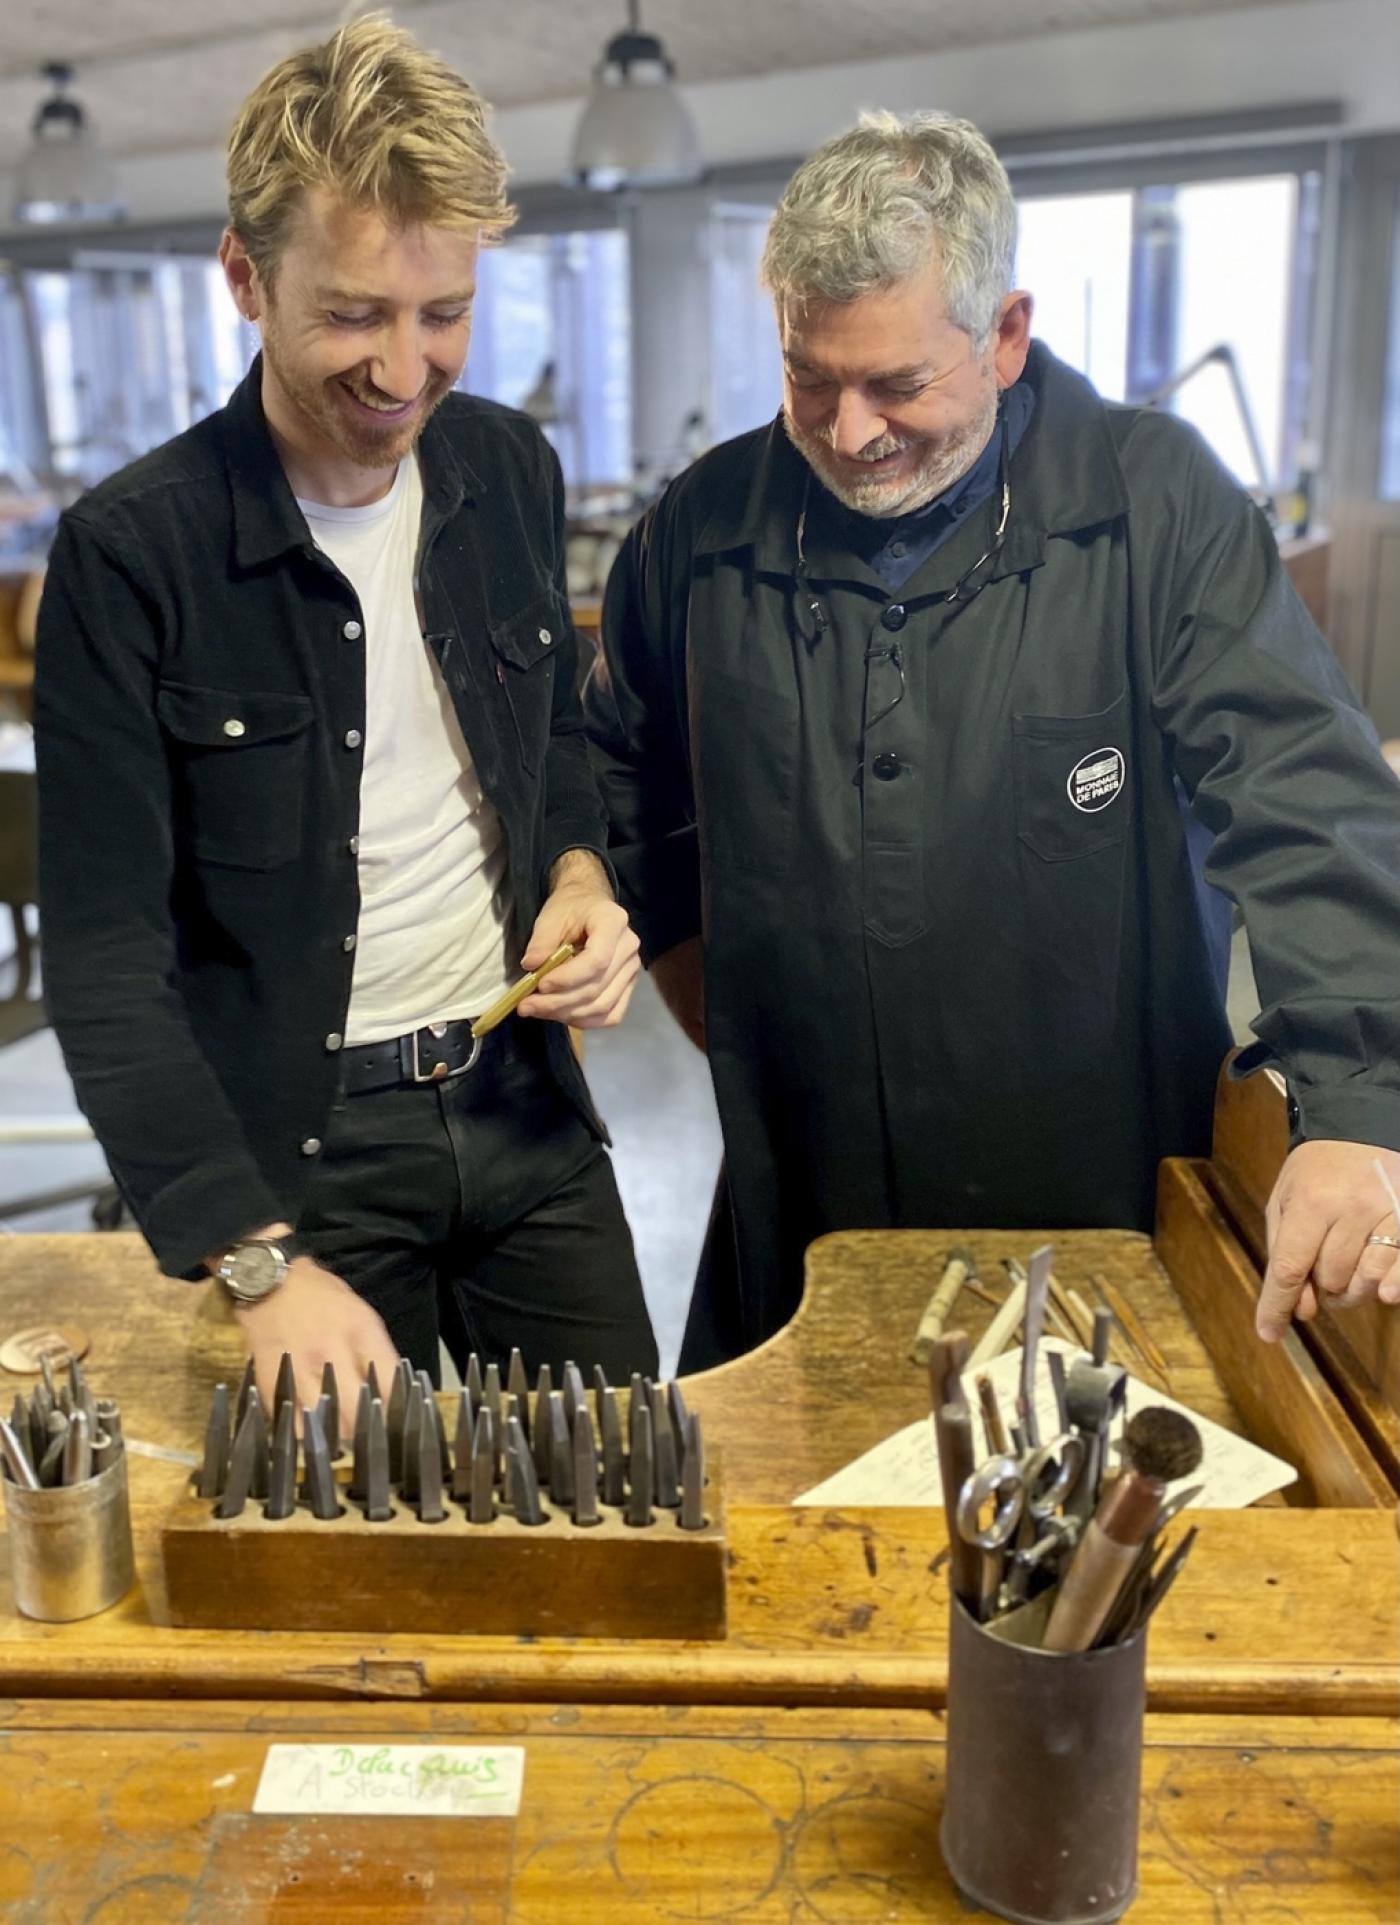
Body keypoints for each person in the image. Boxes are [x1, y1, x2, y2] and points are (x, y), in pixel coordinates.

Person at [586, 110, 1400, 1371]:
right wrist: (712, 992)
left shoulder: (1154, 508)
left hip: (1095, 1208)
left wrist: (1357, 1102)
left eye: (898, 384)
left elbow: (1301, 792)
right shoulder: (699, 532)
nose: (848, 430)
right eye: (810, 376)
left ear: (1005, 334)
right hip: (799, 1204)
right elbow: (626, 784)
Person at [35, 16, 657, 1414]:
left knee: (621, 1511)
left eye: (443, 314)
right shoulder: (133, 558)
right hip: (295, 1166)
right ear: (246, 279)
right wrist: (253, 1264)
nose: (402, 370)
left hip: (522, 1102)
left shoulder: (506, 468)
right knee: (333, 1580)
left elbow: (549, 741)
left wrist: (577, 877)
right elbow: (106, 961)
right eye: (354, 315)